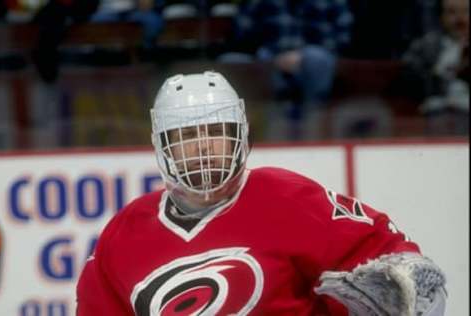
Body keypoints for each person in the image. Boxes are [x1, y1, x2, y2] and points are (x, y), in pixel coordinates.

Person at [76, 71, 447, 315]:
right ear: (162, 146)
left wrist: (407, 281)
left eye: (216, 131)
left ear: (241, 133)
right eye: (187, 136)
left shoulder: (286, 197)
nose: (204, 147)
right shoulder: (124, 234)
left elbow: (394, 259)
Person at [230, 0, 353, 139]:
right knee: (233, 60)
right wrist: (274, 57)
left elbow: (343, 38)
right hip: (268, 59)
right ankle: (259, 130)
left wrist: (303, 55)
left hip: (316, 62)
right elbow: (241, 34)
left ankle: (315, 124)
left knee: (316, 59)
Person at [400, 0, 469, 134]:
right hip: (435, 113)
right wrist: (439, 75)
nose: (460, 18)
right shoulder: (425, 46)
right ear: (441, 17)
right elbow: (408, 81)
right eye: (452, 12)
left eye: (466, 11)